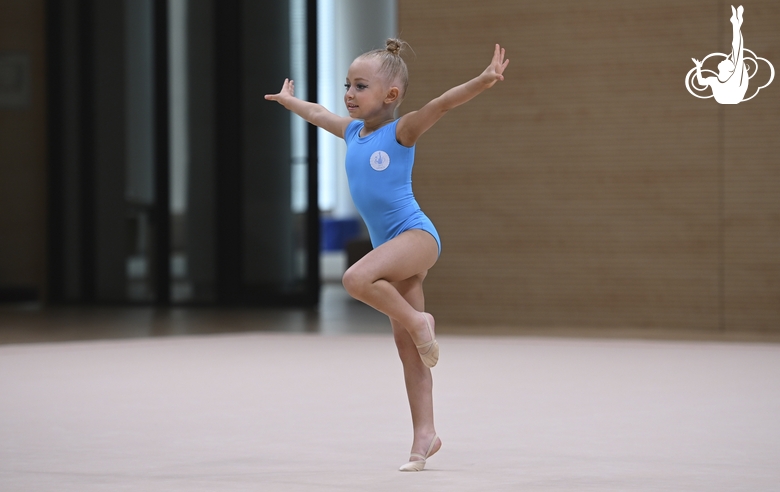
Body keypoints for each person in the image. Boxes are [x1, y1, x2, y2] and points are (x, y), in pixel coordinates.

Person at [265, 39, 509, 471]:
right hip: (391, 249)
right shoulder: (352, 132)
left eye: (360, 86)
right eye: (347, 85)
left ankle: (420, 322)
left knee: (355, 279)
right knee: (408, 349)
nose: (348, 94)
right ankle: (425, 435)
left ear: (390, 96)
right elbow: (319, 114)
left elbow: (441, 104)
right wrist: (291, 102)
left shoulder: (401, 131)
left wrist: (484, 80)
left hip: (415, 236)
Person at [692, 5, 748, 104]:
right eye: (727, 60)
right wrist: (698, 67)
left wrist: (698, 68)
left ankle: (736, 23)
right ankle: (736, 23)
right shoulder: (715, 80)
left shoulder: (732, 77)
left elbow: (737, 49)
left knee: (737, 51)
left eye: (727, 61)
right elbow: (701, 82)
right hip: (729, 97)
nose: (724, 59)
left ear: (729, 69)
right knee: (737, 52)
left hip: (732, 95)